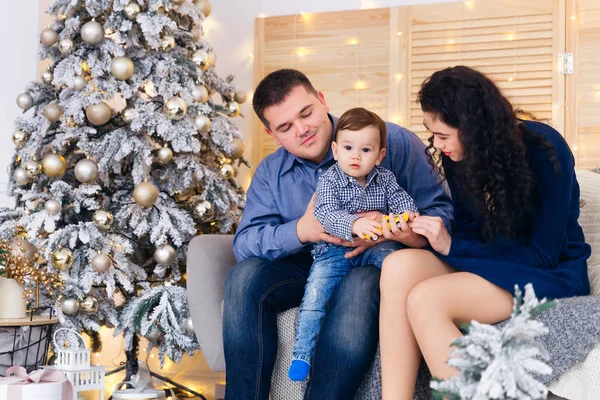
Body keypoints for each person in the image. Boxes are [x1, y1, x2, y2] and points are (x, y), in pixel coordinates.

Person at [223, 68, 452, 399]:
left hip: (375, 262)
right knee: (244, 277)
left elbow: (442, 214)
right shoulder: (271, 173)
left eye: (306, 113)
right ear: (272, 134)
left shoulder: (395, 142)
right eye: (286, 127)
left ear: (321, 100)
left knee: (358, 286)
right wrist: (302, 231)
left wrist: (392, 226)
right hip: (309, 263)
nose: (302, 130)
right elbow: (244, 244)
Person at [378, 65, 591, 399]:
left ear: (475, 128)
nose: (436, 144)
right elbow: (467, 232)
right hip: (493, 263)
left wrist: (452, 248)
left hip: (548, 271)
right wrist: (425, 240)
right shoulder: (456, 155)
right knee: (399, 265)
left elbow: (543, 255)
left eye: (444, 135)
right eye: (432, 134)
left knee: (426, 299)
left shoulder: (546, 150)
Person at [288, 107, 419, 381]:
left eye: (366, 150)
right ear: (336, 150)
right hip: (334, 252)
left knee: (397, 263)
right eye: (348, 147)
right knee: (314, 296)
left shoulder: (386, 179)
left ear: (380, 155)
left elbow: (401, 201)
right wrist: (353, 224)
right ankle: (302, 354)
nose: (356, 156)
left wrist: (406, 216)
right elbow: (325, 213)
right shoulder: (329, 180)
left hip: (374, 246)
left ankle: (415, 309)